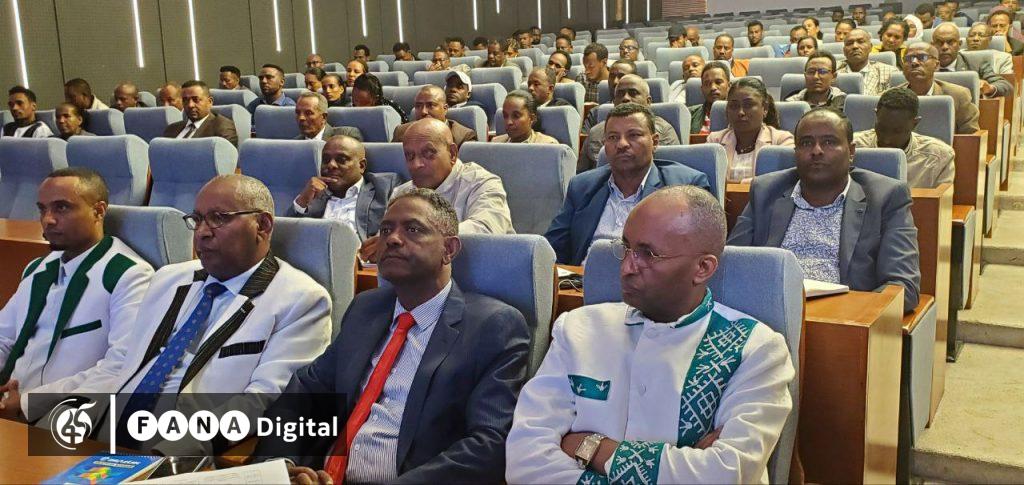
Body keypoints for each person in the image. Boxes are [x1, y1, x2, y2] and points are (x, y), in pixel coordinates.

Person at [28, 174, 334, 453]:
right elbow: (120, 365)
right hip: (104, 433)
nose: (201, 233)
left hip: (184, 448)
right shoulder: (168, 279)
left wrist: (173, 454)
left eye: (218, 219)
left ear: (262, 226)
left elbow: (263, 401)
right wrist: (55, 415)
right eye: (197, 220)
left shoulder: (300, 299)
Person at [512, 185, 794, 483]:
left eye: (648, 254)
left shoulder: (754, 349)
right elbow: (524, 461)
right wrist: (681, 466)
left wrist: (592, 448)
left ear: (703, 267)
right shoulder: (578, 328)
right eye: (626, 248)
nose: (627, 267)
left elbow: (724, 474)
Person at [258, 188, 529, 484]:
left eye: (413, 229)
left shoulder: (493, 326)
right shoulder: (366, 308)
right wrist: (282, 466)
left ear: (449, 249)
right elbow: (305, 392)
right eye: (386, 229)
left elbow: (489, 444)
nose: (392, 239)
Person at [729, 108, 921, 313]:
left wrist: (844, 316)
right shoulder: (766, 191)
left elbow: (903, 288)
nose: (816, 151)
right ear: (795, 152)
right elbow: (730, 266)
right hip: (768, 313)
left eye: (829, 142)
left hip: (844, 318)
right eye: (806, 143)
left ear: (851, 152)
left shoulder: (886, 197)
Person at [0, 168, 153, 420]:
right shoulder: (37, 268)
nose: (48, 220)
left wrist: (27, 404)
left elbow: (120, 366)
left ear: (98, 211)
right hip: (10, 409)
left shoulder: (129, 275)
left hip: (64, 416)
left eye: (61, 208)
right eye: (42, 209)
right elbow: (4, 337)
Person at [548, 102, 709, 265]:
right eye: (613, 137)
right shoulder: (582, 186)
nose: (622, 144)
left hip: (651, 279)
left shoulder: (685, 188)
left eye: (633, 135)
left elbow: (695, 257)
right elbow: (553, 251)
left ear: (654, 142)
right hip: (583, 279)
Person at [358, 118, 513, 262]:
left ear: (452, 153)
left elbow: (486, 232)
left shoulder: (483, 183)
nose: (416, 164)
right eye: (410, 156)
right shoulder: (402, 193)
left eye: (428, 154)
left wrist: (414, 239)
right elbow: (385, 238)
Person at [289, 135, 398, 240]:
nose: (331, 165)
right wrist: (302, 200)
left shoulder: (384, 186)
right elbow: (287, 235)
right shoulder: (314, 193)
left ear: (361, 166)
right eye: (326, 160)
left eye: (341, 160)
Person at [853, 88, 955, 188]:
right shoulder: (852, 148)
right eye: (882, 129)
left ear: (915, 124)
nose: (886, 140)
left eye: (897, 132)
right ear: (876, 115)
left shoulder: (938, 157)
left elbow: (944, 199)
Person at [581, 73, 682, 172]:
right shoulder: (596, 132)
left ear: (648, 101)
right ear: (614, 101)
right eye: (620, 94)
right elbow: (582, 172)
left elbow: (672, 172)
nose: (626, 98)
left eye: (633, 93)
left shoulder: (664, 131)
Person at [707, 78, 794, 182]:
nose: (740, 112)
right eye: (734, 106)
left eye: (748, 105)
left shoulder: (782, 141)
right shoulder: (715, 141)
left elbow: (783, 181)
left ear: (765, 108)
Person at [894, 42, 980, 133]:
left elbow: (971, 136)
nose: (914, 62)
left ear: (936, 65)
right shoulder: (892, 98)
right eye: (908, 59)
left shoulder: (958, 95)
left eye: (922, 57)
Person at [932, 23, 1013, 97]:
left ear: (959, 44)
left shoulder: (976, 63)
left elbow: (1006, 86)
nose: (945, 47)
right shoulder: (925, 65)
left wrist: (989, 88)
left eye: (950, 42)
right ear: (932, 45)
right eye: (939, 42)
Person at [392, 85, 478, 147]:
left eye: (430, 105)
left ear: (445, 109)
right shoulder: (401, 132)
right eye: (418, 106)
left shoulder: (463, 137)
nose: (423, 112)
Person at [162, 80, 239, 146]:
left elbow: (223, 157)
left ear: (210, 102)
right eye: (185, 100)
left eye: (196, 99)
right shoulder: (171, 129)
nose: (190, 105)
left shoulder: (222, 127)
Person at [837, 29, 900, 95]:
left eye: (860, 42)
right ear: (844, 51)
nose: (855, 46)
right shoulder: (834, 72)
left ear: (870, 47)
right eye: (850, 43)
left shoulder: (889, 72)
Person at [492, 90, 559, 144]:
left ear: (532, 118)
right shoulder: (496, 143)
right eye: (505, 116)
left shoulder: (548, 145)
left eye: (516, 116)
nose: (509, 122)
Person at [293, 92, 363, 141]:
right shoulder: (294, 144)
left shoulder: (346, 135)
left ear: (324, 117)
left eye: (308, 113)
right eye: (298, 113)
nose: (301, 118)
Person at [690, 62, 731, 135]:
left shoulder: (740, 114)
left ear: (729, 86)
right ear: (702, 89)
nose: (713, 88)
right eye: (707, 84)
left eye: (718, 82)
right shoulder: (690, 114)